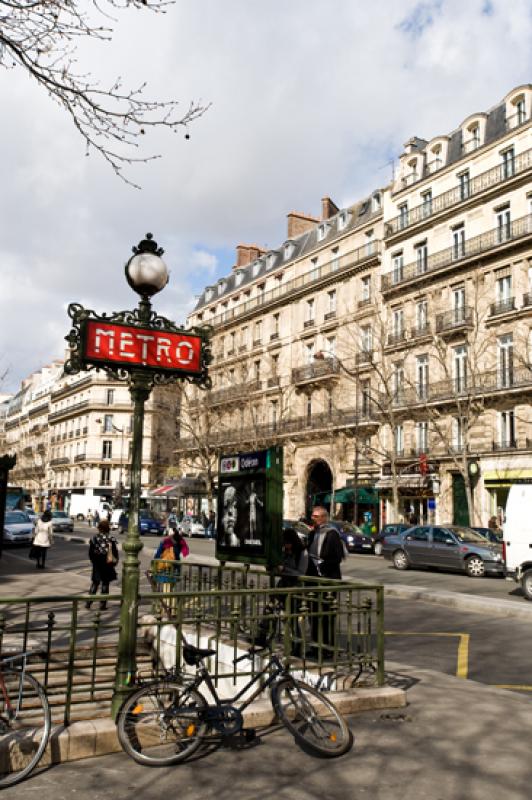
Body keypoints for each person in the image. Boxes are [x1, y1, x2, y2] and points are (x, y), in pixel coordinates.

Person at [306, 506, 344, 654]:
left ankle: (328, 648)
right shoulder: (313, 533)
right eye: (313, 516)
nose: (313, 519)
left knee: (327, 615)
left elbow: (337, 557)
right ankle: (316, 646)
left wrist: (322, 566)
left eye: (315, 516)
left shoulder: (331, 533)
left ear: (323, 517)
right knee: (314, 614)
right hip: (314, 579)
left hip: (328, 579)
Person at [86, 519, 119, 610]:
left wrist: (93, 561)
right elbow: (115, 552)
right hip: (107, 563)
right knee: (105, 583)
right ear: (108, 528)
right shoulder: (111, 539)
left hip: (97, 562)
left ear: (99, 528)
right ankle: (102, 605)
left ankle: (88, 603)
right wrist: (115, 562)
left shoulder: (94, 538)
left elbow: (90, 552)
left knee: (95, 583)